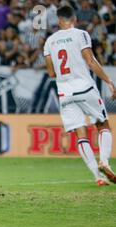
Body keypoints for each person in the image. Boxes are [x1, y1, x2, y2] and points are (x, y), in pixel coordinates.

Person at [44, 6, 116, 186]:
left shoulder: (49, 41)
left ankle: (97, 177)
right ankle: (104, 162)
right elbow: (90, 62)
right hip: (84, 88)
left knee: (80, 134)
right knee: (103, 125)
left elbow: (51, 73)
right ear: (74, 18)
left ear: (59, 20)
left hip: (65, 93)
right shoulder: (80, 34)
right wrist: (108, 81)